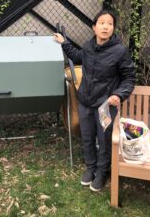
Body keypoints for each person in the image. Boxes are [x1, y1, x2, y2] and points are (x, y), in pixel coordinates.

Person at [54, 10, 135, 192]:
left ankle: (102, 171)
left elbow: (129, 78)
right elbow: (78, 57)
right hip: (85, 102)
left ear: (113, 28)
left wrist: (119, 95)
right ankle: (91, 168)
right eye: (102, 23)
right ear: (94, 27)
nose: (106, 26)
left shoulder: (120, 51)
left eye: (110, 24)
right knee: (88, 137)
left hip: (105, 106)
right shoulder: (89, 47)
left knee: (104, 140)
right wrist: (64, 43)